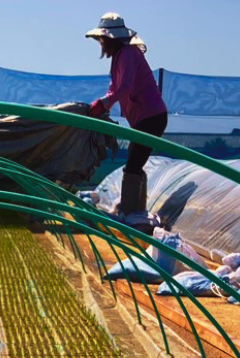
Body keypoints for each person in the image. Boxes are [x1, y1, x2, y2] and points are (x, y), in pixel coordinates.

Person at [85, 13, 167, 218]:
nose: (101, 44)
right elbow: (115, 88)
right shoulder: (118, 60)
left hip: (152, 116)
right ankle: (135, 212)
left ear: (112, 39)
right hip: (142, 119)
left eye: (102, 40)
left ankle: (130, 213)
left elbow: (126, 86)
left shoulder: (129, 54)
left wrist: (104, 102)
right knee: (135, 161)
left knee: (133, 165)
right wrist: (104, 107)